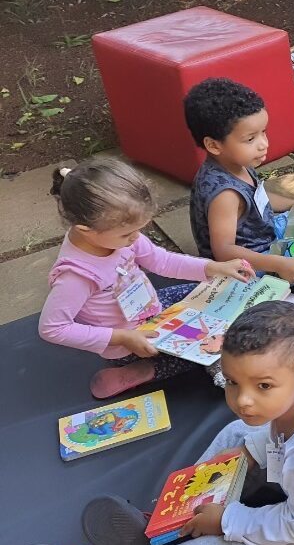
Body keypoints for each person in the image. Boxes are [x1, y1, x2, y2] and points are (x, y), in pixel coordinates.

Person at [8, 302, 294, 545]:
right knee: (235, 433)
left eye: (263, 386)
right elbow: (271, 433)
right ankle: (170, 520)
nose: (243, 399)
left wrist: (227, 522)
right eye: (233, 381)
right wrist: (247, 456)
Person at [39, 159, 253, 399]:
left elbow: (161, 261)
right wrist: (123, 338)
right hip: (129, 341)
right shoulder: (77, 275)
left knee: (211, 293)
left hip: (150, 309)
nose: (135, 238)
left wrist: (214, 267)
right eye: (127, 234)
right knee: (194, 352)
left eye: (138, 230)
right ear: (85, 230)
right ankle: (141, 371)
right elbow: (52, 328)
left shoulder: (114, 233)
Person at [186, 78, 294, 305]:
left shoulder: (236, 163)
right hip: (251, 266)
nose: (263, 143)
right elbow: (223, 250)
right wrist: (279, 264)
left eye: (263, 132)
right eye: (251, 138)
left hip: (268, 239)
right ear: (214, 145)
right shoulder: (225, 194)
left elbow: (259, 199)